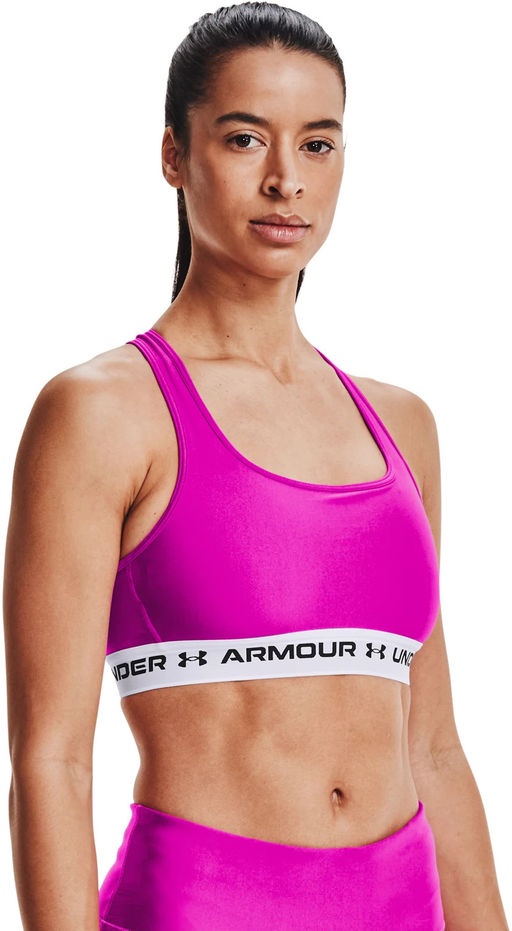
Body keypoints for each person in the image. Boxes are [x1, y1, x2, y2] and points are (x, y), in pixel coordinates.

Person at [4, 3, 509, 930]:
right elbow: (53, 760)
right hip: (201, 909)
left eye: (318, 144)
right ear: (174, 156)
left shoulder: (404, 425)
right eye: (244, 139)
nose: (286, 179)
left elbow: (435, 748)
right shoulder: (104, 413)